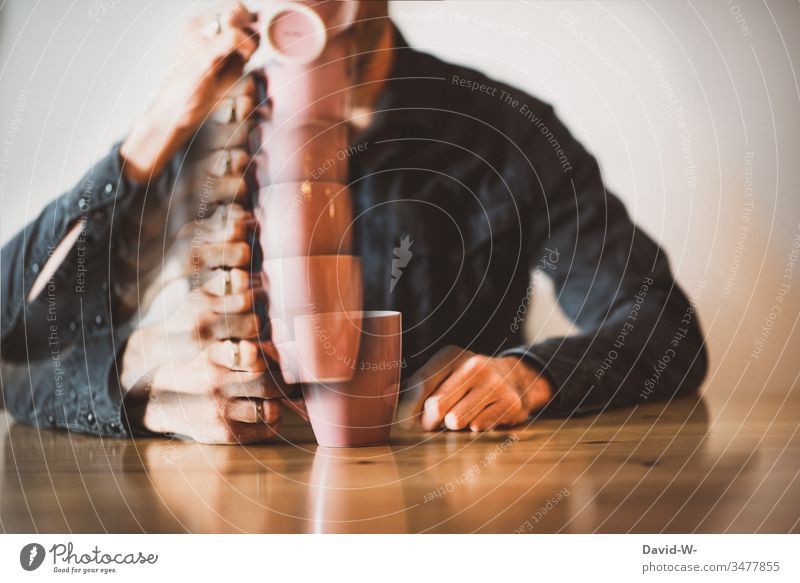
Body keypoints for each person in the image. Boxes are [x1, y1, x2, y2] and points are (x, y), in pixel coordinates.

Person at [0, 1, 707, 443]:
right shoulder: (201, 137)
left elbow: (666, 328)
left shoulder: (501, 132)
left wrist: (530, 376)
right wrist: (142, 388)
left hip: (457, 518)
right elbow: (15, 344)